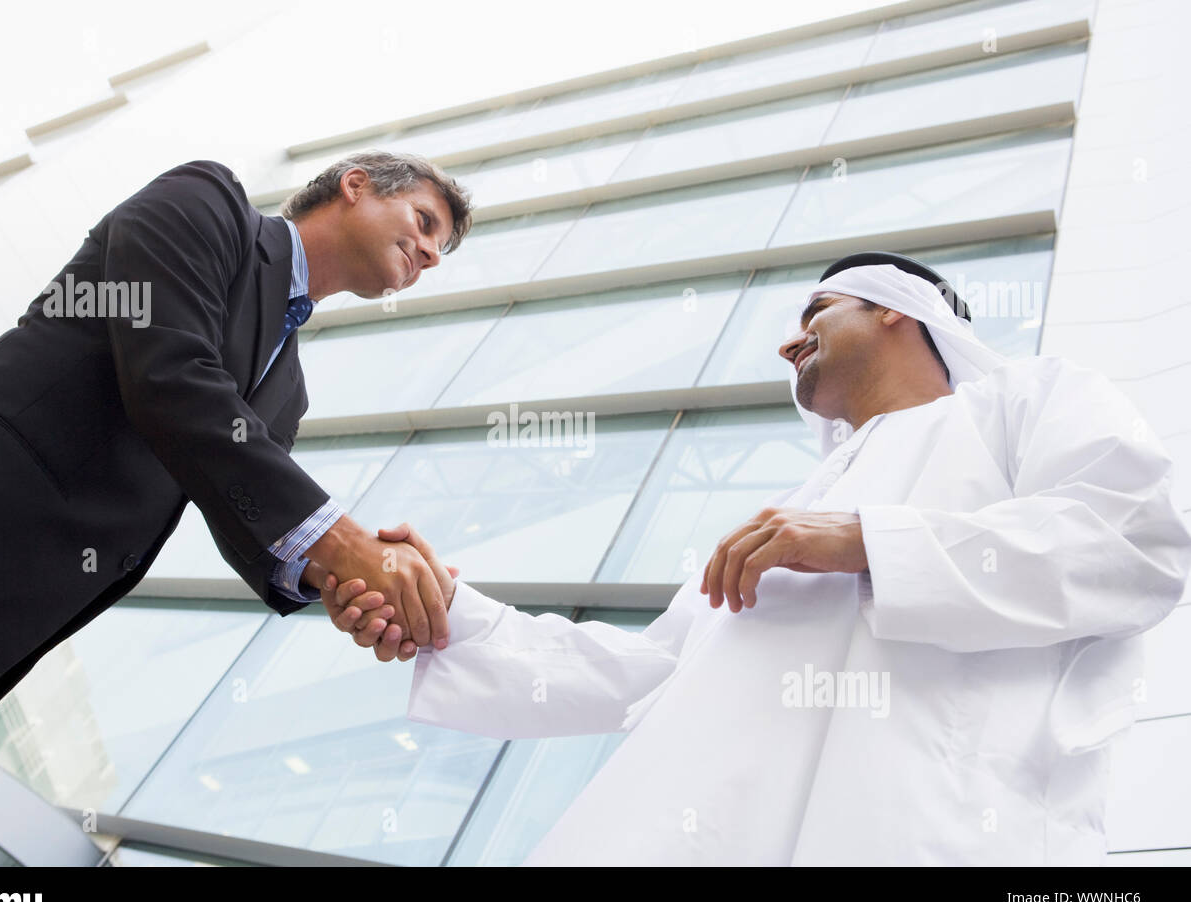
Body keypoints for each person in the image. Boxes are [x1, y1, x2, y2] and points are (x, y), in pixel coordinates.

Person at [322, 252, 1191, 865]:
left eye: (815, 313)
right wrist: (446, 614)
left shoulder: (1026, 402)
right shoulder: (795, 510)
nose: (788, 344)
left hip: (938, 827)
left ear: (894, 305)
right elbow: (641, 672)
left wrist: (865, 543)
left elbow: (1133, 542)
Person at [0, 151, 472, 775]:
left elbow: (248, 518)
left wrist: (341, 584)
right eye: (425, 221)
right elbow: (170, 377)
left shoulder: (288, 391)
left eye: (442, 251)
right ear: (355, 185)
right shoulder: (209, 204)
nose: (432, 254)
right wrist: (345, 543)